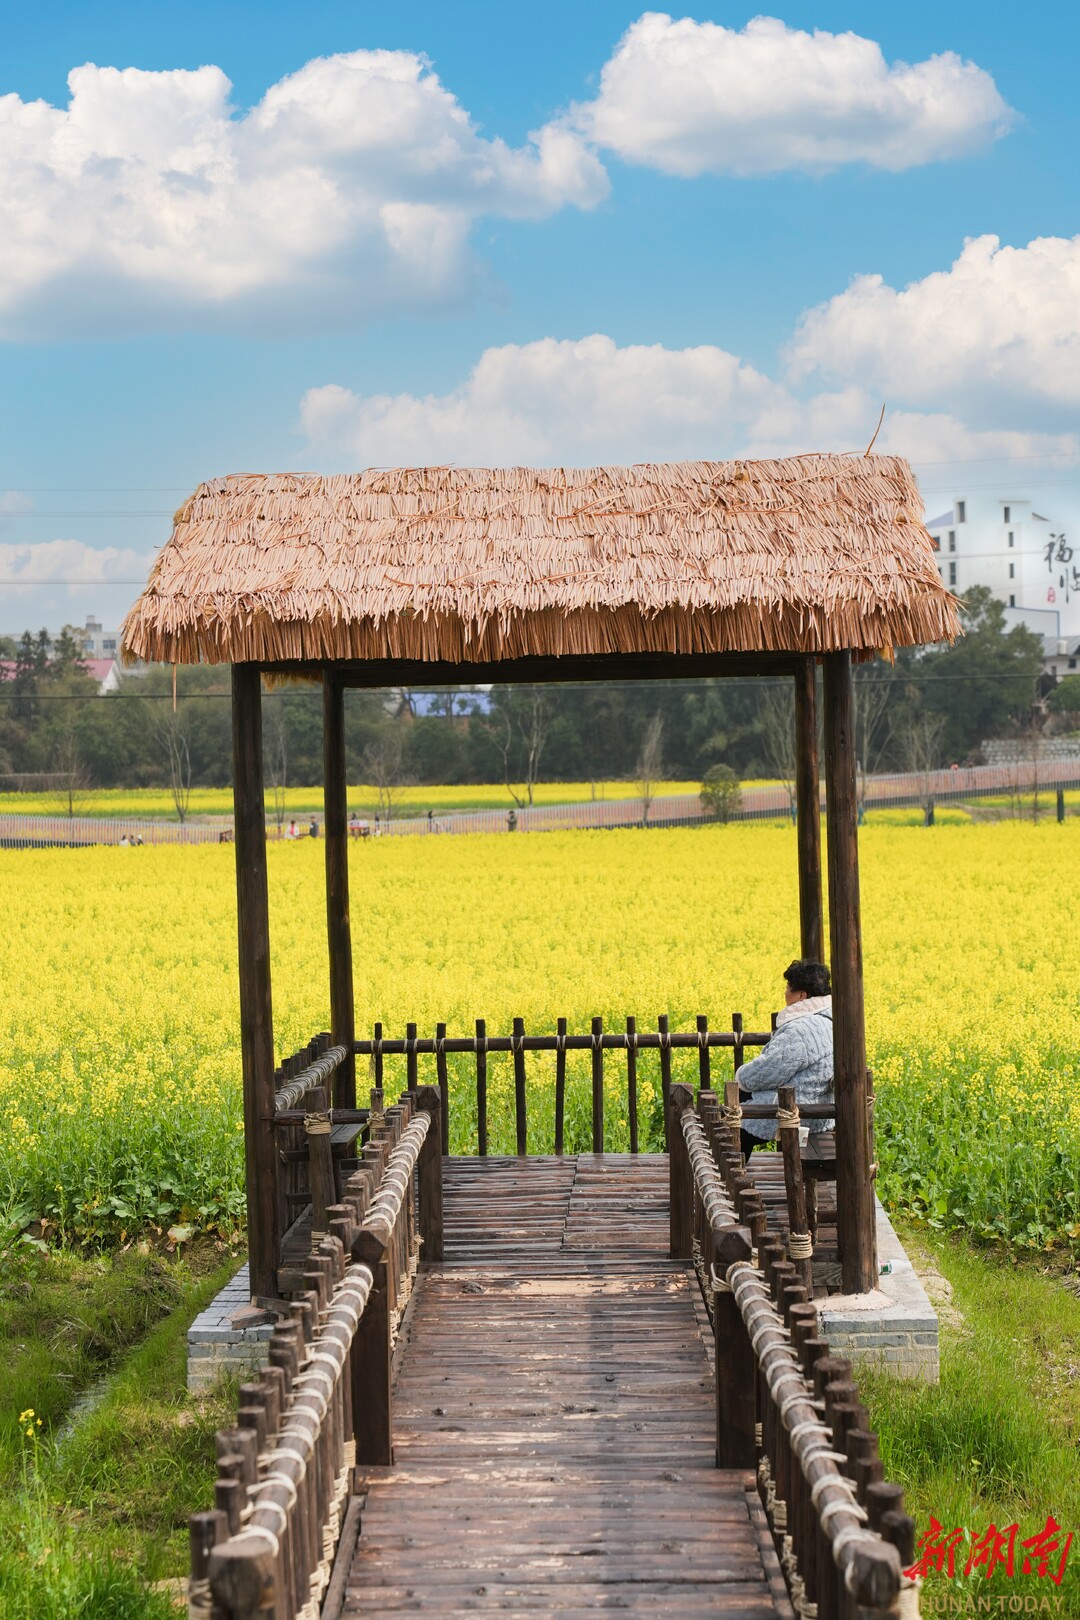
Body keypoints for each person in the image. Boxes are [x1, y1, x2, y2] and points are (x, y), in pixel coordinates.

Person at [736, 959, 834, 1158]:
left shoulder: (802, 1029)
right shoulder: (830, 1020)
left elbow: (767, 1071)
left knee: (734, 1123)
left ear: (801, 995)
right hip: (819, 1107)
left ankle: (729, 1178)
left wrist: (742, 1076)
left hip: (799, 1112)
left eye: (788, 987)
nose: (785, 993)